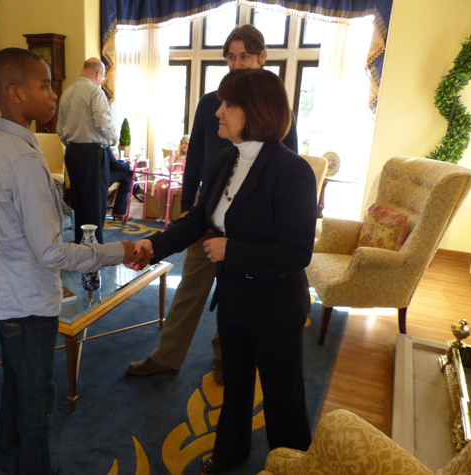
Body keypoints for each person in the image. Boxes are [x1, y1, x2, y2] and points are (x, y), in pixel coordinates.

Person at [0, 48, 148, 475]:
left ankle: (5, 464)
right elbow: (51, 252)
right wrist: (117, 251)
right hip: (27, 302)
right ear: (15, 93)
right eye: (45, 86)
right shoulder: (26, 159)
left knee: (17, 385)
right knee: (37, 397)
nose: (53, 95)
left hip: (1, 292)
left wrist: (2, 255)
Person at [133, 68, 316, 473]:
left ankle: (293, 466)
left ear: (256, 111)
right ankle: (232, 452)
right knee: (235, 384)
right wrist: (154, 245)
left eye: (229, 104)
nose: (218, 112)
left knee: (283, 397)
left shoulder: (292, 171)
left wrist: (232, 250)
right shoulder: (224, 160)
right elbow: (200, 218)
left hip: (276, 305)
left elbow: (296, 252)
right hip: (234, 297)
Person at [127, 25, 298, 383]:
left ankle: (226, 357)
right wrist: (187, 205)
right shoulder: (211, 105)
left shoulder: (276, 111)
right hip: (207, 211)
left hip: (249, 227)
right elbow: (195, 160)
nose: (237, 64)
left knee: (235, 292)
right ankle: (167, 356)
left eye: (245, 56)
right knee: (191, 285)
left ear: (262, 57)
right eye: (231, 57)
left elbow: (285, 167)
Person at [57, 57, 117, 244]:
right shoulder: (95, 92)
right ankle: (95, 248)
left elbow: (60, 130)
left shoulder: (67, 93)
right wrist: (113, 136)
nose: (102, 81)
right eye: (103, 77)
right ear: (98, 74)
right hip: (92, 154)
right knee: (95, 204)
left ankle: (80, 245)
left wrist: (73, 144)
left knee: (79, 202)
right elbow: (102, 122)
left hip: (72, 153)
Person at [150, 135, 189, 222]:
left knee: (169, 188)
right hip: (173, 177)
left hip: (181, 179)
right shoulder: (178, 156)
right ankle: (162, 215)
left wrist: (180, 175)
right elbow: (172, 168)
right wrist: (171, 158)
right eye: (182, 143)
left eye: (186, 143)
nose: (183, 145)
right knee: (163, 188)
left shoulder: (191, 157)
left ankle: (168, 216)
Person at [107, 146, 133, 220]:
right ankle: (119, 211)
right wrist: (128, 165)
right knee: (128, 173)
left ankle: (136, 188)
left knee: (127, 173)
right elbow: (113, 163)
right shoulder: (103, 143)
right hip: (102, 177)